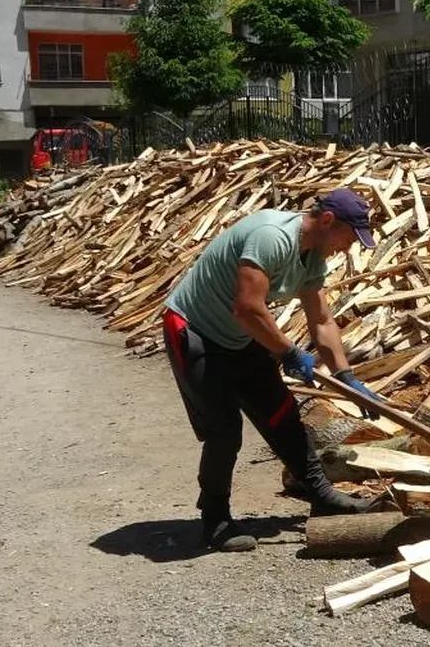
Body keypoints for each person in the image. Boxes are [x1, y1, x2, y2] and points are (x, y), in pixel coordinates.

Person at [160, 188, 382, 552]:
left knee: (281, 414)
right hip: (195, 332)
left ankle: (322, 496)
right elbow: (247, 307)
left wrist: (346, 376)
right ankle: (215, 520)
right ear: (328, 221)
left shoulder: (311, 257)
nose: (348, 248)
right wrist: (288, 352)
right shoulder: (273, 237)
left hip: (240, 336)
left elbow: (322, 320)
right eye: (348, 237)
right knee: (224, 431)